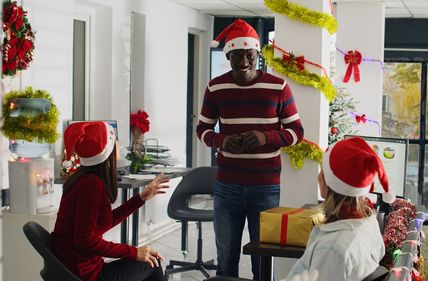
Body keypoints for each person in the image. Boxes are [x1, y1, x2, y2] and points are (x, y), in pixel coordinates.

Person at [196, 19, 304, 280]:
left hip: (266, 187)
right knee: (226, 261)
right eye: (237, 56)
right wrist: (221, 141)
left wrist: (265, 137)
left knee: (262, 262)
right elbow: (202, 130)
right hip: (227, 186)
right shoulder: (215, 87)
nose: (243, 62)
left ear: (258, 55)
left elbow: (296, 133)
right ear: (228, 55)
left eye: (249, 55)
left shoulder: (278, 87)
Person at [52, 121, 169, 281]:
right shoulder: (91, 185)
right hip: (85, 274)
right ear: (108, 151)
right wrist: (133, 252)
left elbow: (103, 223)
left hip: (74, 267)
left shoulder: (83, 178)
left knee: (149, 260)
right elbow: (85, 241)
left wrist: (141, 198)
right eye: (115, 142)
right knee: (152, 263)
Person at [286, 137, 395, 281]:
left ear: (329, 184)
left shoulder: (332, 250)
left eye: (322, 171)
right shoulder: (369, 223)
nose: (318, 176)